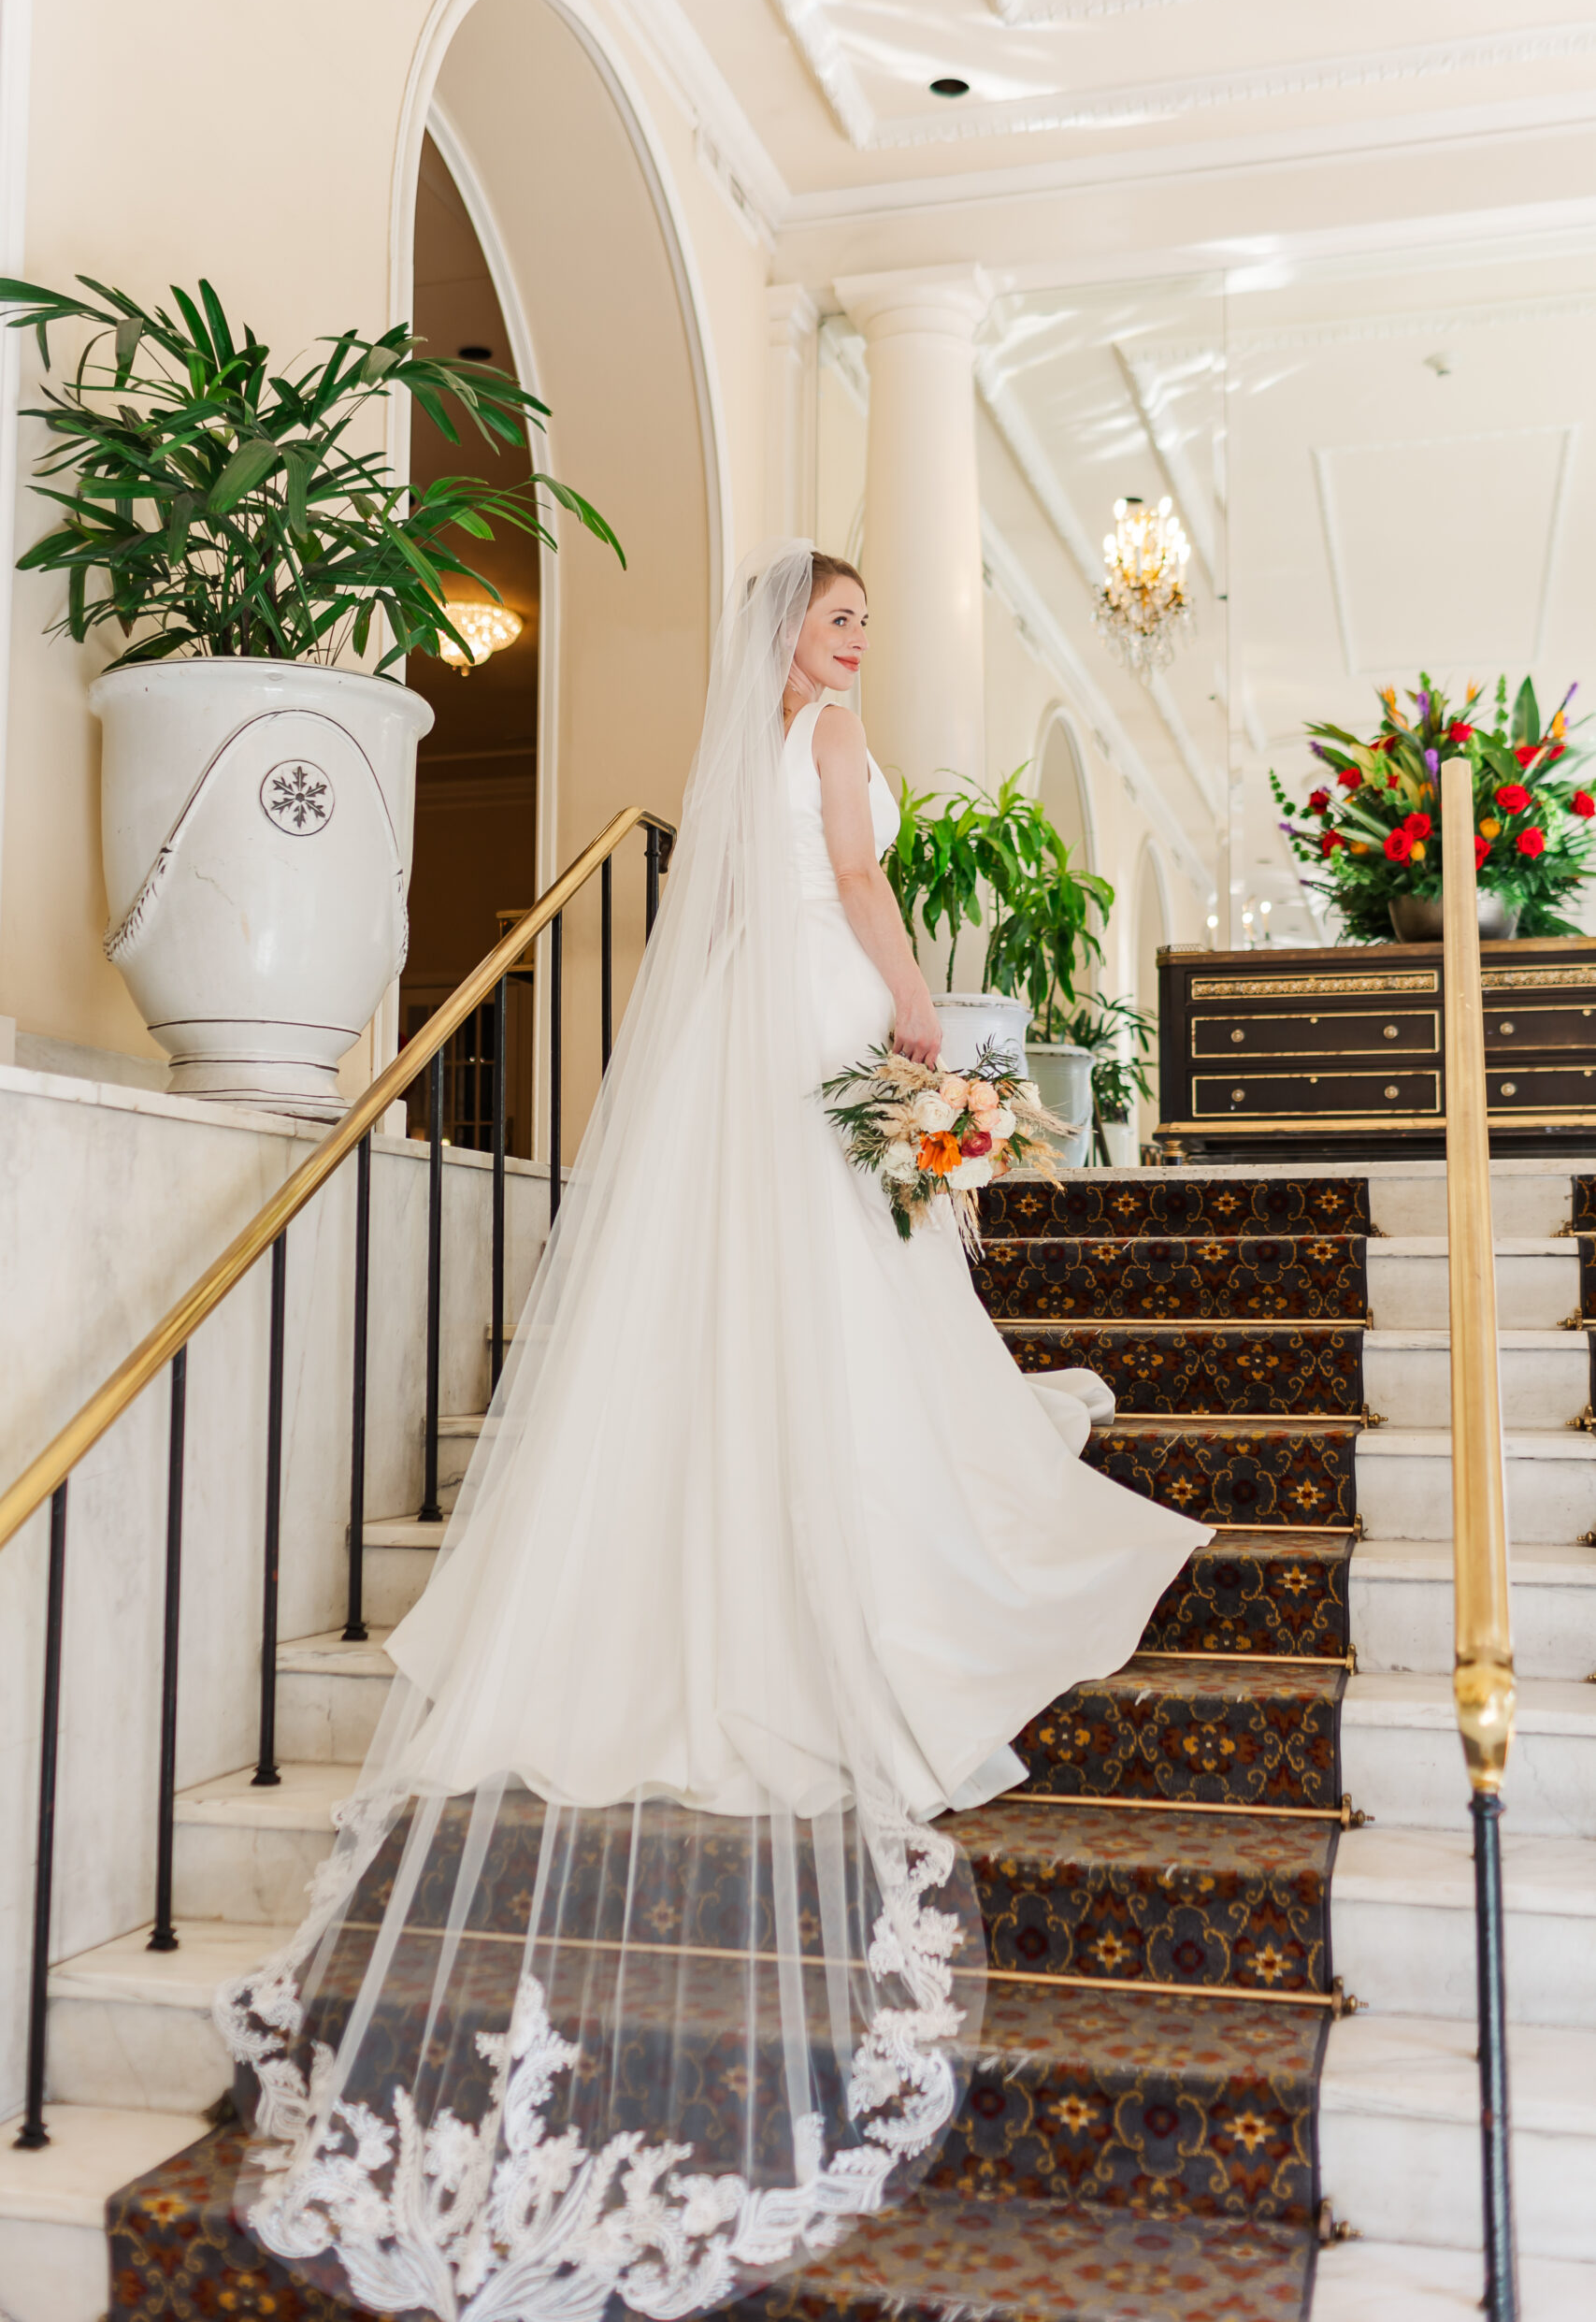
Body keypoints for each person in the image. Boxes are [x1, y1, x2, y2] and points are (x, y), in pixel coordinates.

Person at [218, 541, 1209, 2320]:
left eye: (856, 623)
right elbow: (854, 883)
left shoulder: (736, 742)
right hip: (828, 1008)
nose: (853, 643)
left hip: (747, 1035)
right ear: (796, 630)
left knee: (769, 1291)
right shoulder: (821, 739)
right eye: (841, 619)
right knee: (849, 1289)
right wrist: (918, 1009)